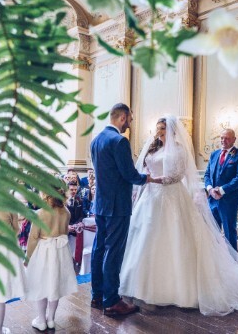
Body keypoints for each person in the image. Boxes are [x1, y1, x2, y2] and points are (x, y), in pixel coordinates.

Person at [119, 116, 238, 315]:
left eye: (162, 129)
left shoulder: (179, 150)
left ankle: (178, 291)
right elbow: (144, 167)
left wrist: (150, 179)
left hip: (171, 198)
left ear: (172, 131)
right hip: (149, 199)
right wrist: (144, 178)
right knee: (145, 238)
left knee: (176, 238)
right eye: (158, 129)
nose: (159, 133)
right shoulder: (153, 148)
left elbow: (175, 177)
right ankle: (138, 286)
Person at [90, 103, 156, 316]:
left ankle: (97, 295)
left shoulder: (96, 140)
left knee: (99, 249)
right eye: (130, 119)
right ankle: (112, 301)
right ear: (122, 118)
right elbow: (129, 174)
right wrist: (147, 177)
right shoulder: (119, 141)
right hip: (117, 206)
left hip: (100, 204)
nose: (131, 123)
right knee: (114, 251)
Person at [25, 183, 78, 331]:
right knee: (55, 285)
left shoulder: (40, 213)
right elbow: (65, 232)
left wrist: (28, 257)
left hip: (44, 252)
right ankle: (51, 319)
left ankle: (41, 320)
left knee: (41, 285)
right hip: (61, 251)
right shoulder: (66, 212)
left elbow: (33, 237)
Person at [203, 128, 238, 250]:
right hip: (212, 199)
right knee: (213, 232)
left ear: (234, 139)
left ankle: (233, 261)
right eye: (222, 138)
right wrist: (210, 189)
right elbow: (207, 175)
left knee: (229, 233)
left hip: (229, 200)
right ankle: (215, 259)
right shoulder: (214, 154)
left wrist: (221, 190)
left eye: (227, 138)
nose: (224, 140)